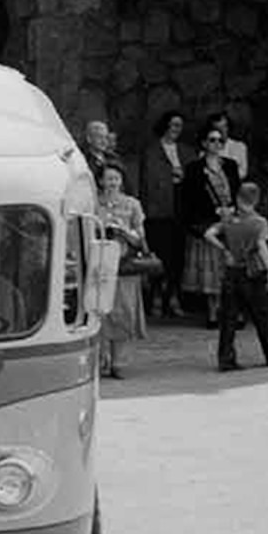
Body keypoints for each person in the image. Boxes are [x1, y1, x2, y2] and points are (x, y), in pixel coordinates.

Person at [210, 179, 268, 372]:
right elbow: (262, 248)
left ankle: (225, 359)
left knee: (229, 318)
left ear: (238, 198)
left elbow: (209, 234)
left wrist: (224, 249)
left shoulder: (229, 220)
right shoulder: (259, 222)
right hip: (253, 272)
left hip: (232, 271)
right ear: (256, 200)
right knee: (260, 316)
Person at [91, 161, 148, 380]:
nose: (112, 183)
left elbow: (141, 237)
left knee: (123, 313)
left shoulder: (132, 204)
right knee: (99, 312)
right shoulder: (94, 204)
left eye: (116, 178)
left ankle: (118, 362)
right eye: (108, 178)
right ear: (100, 181)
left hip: (124, 266)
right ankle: (100, 359)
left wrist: (124, 230)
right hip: (100, 265)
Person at [176, 119, 238, 318]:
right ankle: (212, 312)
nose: (217, 144)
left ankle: (230, 311)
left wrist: (233, 210)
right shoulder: (194, 168)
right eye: (212, 140)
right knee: (212, 270)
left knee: (230, 269)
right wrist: (214, 212)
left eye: (220, 141)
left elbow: (237, 191)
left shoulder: (230, 165)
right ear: (203, 143)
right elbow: (189, 199)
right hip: (208, 222)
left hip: (231, 221)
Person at [139, 112, 187, 322]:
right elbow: (148, 182)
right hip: (159, 210)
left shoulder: (186, 151)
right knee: (160, 254)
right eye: (173, 125)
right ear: (165, 126)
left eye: (180, 126)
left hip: (180, 207)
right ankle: (157, 296)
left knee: (178, 256)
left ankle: (174, 295)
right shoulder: (151, 151)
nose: (176, 129)